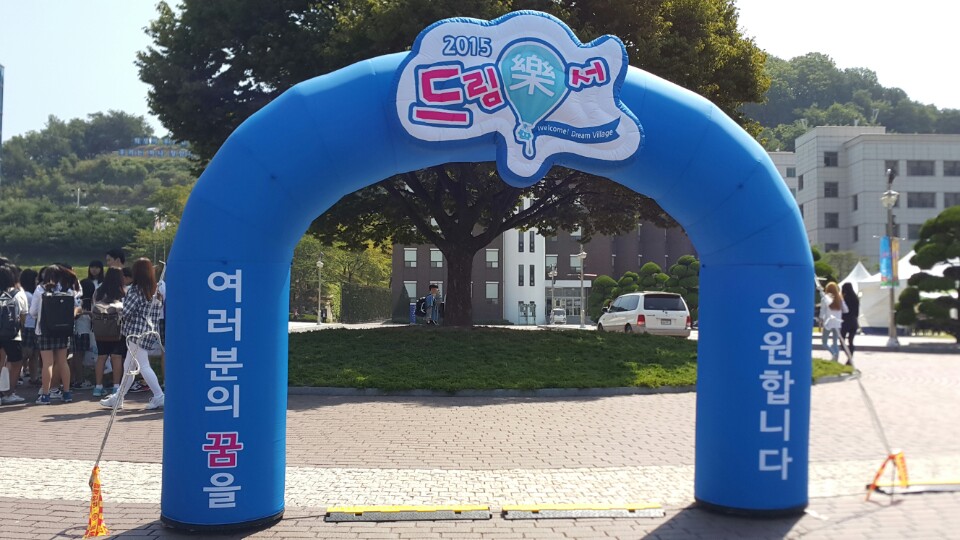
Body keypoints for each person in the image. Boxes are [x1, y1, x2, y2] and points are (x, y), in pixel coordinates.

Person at [100, 258, 165, 410]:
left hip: (135, 333)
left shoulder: (136, 290)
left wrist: (117, 310)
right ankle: (119, 397)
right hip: (148, 331)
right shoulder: (156, 290)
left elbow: (127, 312)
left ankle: (159, 396)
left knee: (142, 365)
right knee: (129, 366)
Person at [29, 265, 80, 404]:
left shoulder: (40, 290)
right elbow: (75, 307)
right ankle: (67, 394)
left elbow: (32, 312)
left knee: (48, 363)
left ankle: (45, 395)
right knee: (63, 362)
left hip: (45, 331)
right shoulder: (67, 290)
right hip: (63, 331)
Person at [91, 267, 126, 397]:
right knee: (116, 357)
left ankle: (98, 387)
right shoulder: (123, 291)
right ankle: (116, 387)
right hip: (117, 329)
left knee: (101, 357)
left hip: (100, 329)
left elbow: (93, 308)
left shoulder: (99, 290)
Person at [0, 264, 30, 405]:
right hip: (12, 335)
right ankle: (8, 393)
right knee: (16, 362)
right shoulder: (18, 294)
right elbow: (24, 316)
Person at [819, 282, 848, 362]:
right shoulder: (840, 299)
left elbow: (822, 311)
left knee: (824, 343)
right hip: (837, 323)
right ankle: (836, 359)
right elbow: (846, 310)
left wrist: (820, 320)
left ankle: (833, 353)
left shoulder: (825, 299)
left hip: (828, 323)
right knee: (835, 342)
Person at [841, 282, 860, 359]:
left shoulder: (844, 298)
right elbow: (857, 313)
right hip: (854, 321)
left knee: (842, 340)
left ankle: (848, 355)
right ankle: (850, 357)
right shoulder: (856, 298)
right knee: (851, 341)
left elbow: (843, 310)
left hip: (845, 322)